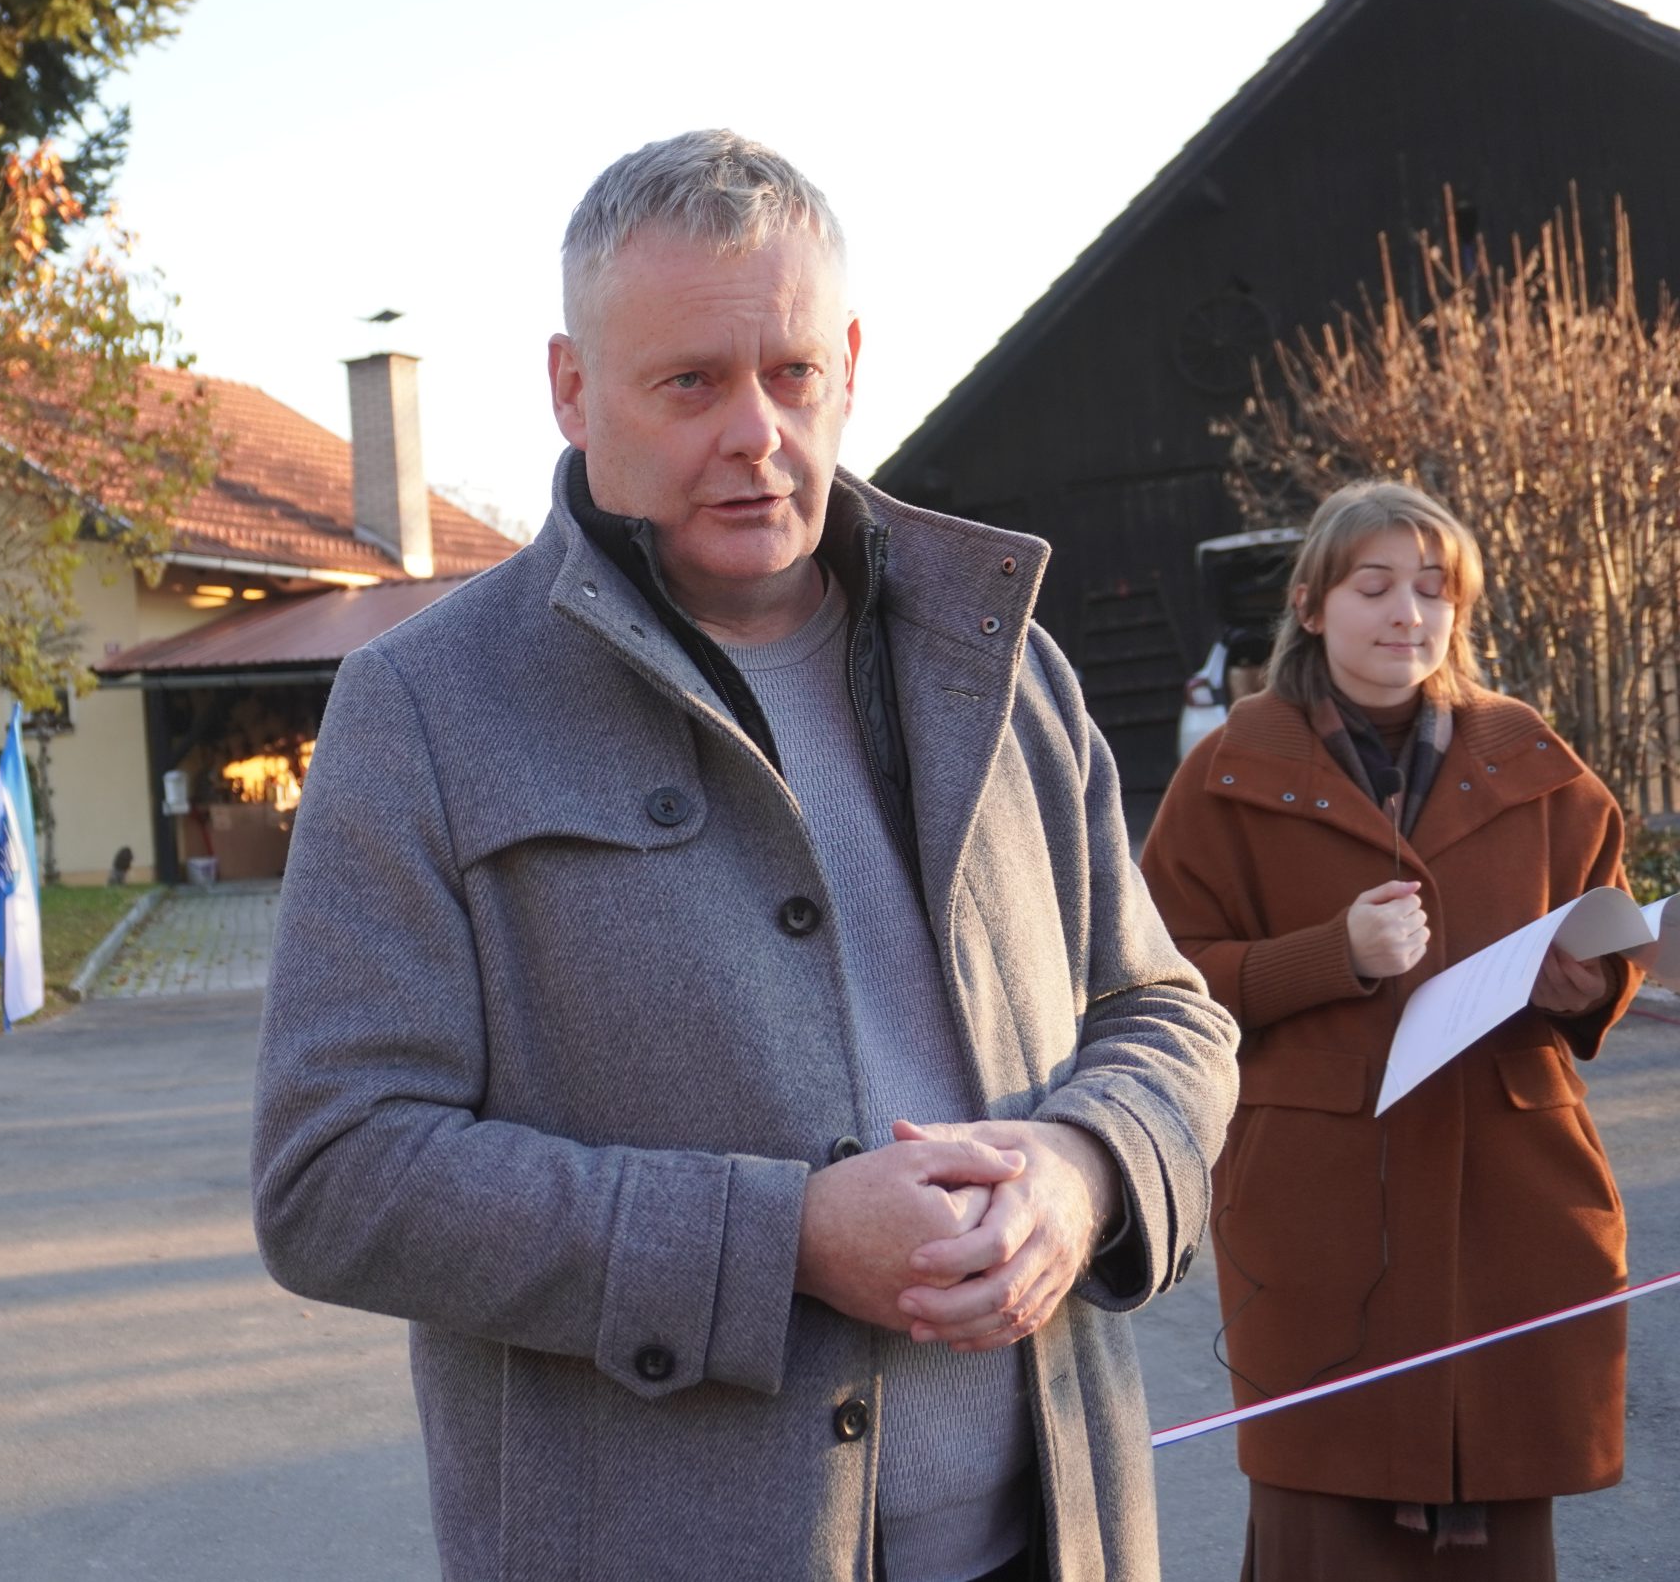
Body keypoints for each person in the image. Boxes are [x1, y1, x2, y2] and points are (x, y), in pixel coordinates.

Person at [250, 130, 1238, 1582]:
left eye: (790, 372)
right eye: (690, 382)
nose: (756, 431)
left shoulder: (1001, 661)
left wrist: (1085, 1169)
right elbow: (336, 1175)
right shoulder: (426, 708)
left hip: (1058, 1539)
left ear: (850, 361)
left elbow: (1166, 1014)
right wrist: (781, 1241)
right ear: (572, 388)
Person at [1139, 481, 1638, 1579]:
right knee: (1327, 1519)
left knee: (1501, 1504)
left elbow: (1611, 925)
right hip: (1321, 1209)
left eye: (1433, 589)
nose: (1407, 613)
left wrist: (1587, 986)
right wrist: (1334, 954)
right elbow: (1158, 981)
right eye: (1374, 587)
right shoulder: (1228, 774)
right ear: (1311, 605)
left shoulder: (1536, 764)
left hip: (1514, 1202)